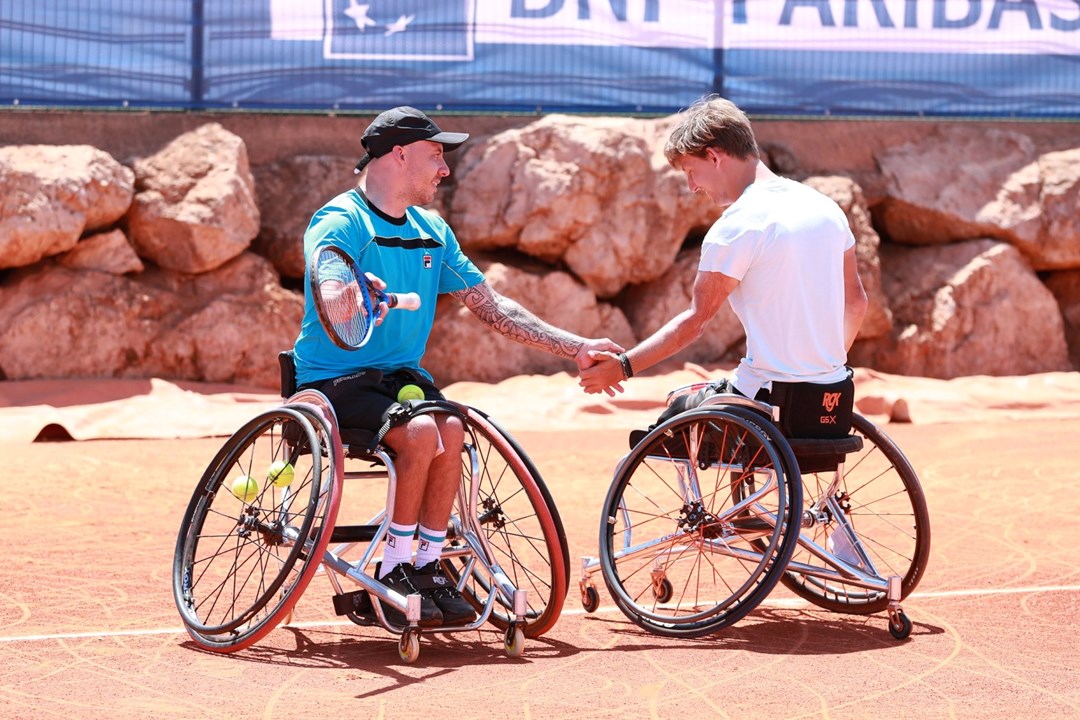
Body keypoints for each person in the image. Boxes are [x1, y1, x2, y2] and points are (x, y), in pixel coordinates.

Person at [291, 106, 622, 628]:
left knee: (451, 424)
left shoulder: (432, 230)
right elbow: (329, 282)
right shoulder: (341, 220)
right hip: (333, 382)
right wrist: (352, 294)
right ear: (399, 155)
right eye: (437, 154)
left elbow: (494, 307)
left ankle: (427, 567)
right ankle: (394, 570)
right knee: (422, 429)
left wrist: (575, 346)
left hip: (401, 381)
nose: (445, 168)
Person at [580, 95, 868, 428]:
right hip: (831, 399)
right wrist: (819, 370)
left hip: (766, 401)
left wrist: (624, 366)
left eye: (691, 171)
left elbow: (695, 322)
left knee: (676, 414)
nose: (692, 187)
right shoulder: (827, 208)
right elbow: (857, 303)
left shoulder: (736, 226)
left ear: (714, 157)